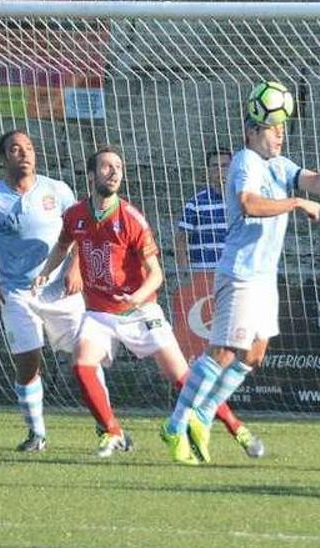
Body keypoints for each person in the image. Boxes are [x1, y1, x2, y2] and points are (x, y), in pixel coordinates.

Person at [160, 107, 320, 464]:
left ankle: (203, 415)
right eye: (273, 128)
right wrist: (297, 202)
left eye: (282, 128)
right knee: (223, 351)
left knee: (254, 355)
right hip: (241, 272)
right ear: (252, 131)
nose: (280, 135)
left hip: (264, 279)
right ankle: (175, 424)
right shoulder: (244, 161)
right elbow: (248, 204)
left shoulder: (280, 165)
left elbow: (319, 184)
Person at [35, 146, 261, 461]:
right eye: (106, 166)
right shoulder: (75, 214)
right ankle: (113, 431)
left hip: (140, 312)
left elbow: (156, 275)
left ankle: (236, 427)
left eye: (118, 167)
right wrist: (46, 273)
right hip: (100, 313)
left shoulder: (131, 219)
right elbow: (63, 245)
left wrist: (137, 296)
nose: (114, 172)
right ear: (91, 175)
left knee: (183, 380)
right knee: (82, 364)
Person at [0, 129, 83, 453]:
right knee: (28, 363)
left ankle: (107, 427)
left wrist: (76, 267)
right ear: (3, 158)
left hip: (60, 290)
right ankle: (36, 433)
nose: (24, 153)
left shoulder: (57, 190)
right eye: (15, 149)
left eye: (29, 147)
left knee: (87, 357)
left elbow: (83, 230)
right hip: (16, 292)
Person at [175, 150, 233, 272]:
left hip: (234, 275)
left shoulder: (242, 202)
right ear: (208, 171)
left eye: (224, 166)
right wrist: (185, 272)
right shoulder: (195, 203)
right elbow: (181, 239)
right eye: (214, 166)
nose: (219, 170)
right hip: (203, 276)